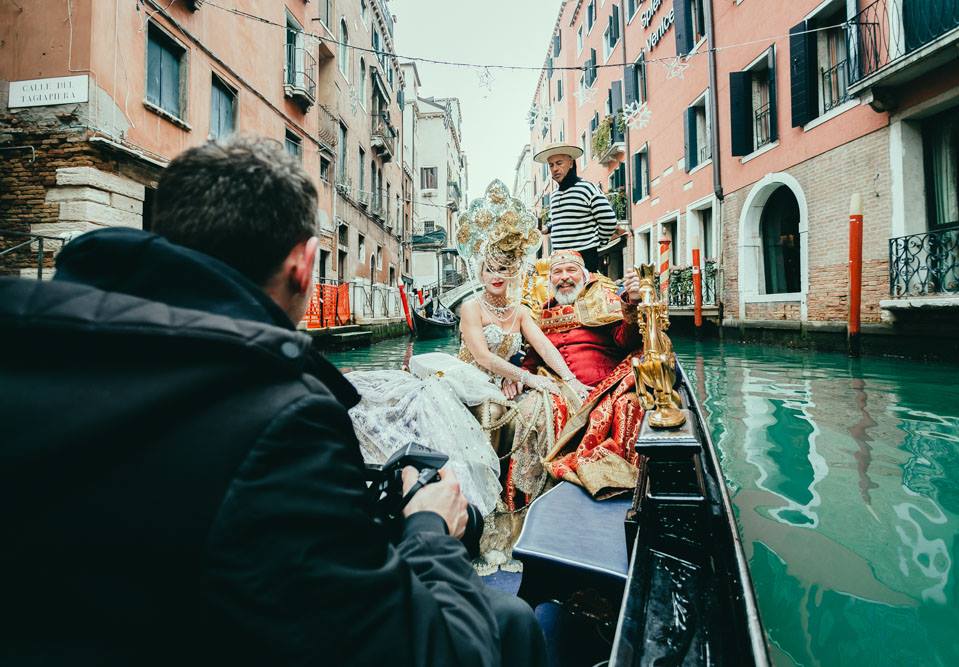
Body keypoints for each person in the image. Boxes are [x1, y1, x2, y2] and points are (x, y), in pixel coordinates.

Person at [0, 137, 544, 666]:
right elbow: (431, 652)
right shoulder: (284, 415)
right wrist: (428, 528)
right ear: (304, 264)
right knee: (512, 622)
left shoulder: (24, 341)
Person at [347, 180, 592, 574]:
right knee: (495, 409)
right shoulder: (470, 307)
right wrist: (527, 377)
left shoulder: (520, 311)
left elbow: (545, 347)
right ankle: (479, 518)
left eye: (504, 269)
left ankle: (522, 507)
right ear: (480, 269)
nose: (496, 275)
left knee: (542, 405)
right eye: (490, 268)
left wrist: (569, 379)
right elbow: (481, 356)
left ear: (513, 271)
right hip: (466, 378)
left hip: (499, 381)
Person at [516, 249, 646, 498]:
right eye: (557, 272)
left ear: (585, 276)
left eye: (571, 270)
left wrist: (633, 302)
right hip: (558, 391)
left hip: (603, 389)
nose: (564, 277)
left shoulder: (602, 300)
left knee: (628, 405)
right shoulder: (542, 313)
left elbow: (627, 340)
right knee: (533, 411)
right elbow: (532, 359)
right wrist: (518, 376)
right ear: (550, 280)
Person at [534, 142, 618, 273]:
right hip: (559, 259)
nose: (555, 169)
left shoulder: (587, 188)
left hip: (584, 259)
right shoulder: (554, 195)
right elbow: (563, 220)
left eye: (559, 163)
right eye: (551, 165)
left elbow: (609, 221)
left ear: (571, 163)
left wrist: (595, 244)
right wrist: (548, 228)